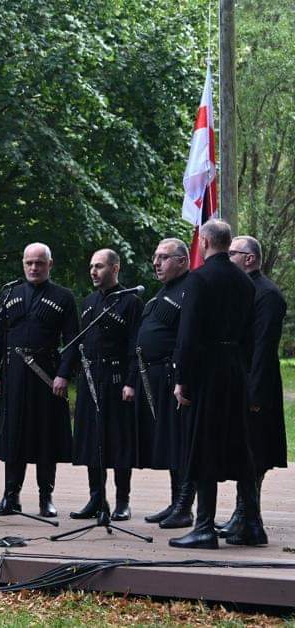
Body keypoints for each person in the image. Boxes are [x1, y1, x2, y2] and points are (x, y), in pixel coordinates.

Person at [170, 219, 259, 549]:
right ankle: (252, 524)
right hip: (235, 370)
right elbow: (250, 334)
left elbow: (188, 333)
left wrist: (182, 379)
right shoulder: (245, 281)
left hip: (207, 371)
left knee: (204, 444)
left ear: (205, 242)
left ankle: (204, 527)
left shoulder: (199, 278)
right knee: (240, 446)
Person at [0, 243, 77, 518]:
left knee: (45, 436)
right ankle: (10, 497)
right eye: (29, 263)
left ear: (50, 264)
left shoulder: (63, 297)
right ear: (23, 263)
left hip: (46, 377)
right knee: (12, 436)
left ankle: (45, 497)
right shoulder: (10, 294)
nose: (34, 267)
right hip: (12, 376)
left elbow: (73, 341)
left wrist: (64, 374)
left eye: (39, 263)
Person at [215, 235, 288, 539]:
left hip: (257, 385)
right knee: (243, 451)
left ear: (250, 258)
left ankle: (249, 519)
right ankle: (243, 516)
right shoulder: (244, 289)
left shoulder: (268, 294)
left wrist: (254, 394)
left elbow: (263, 348)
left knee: (254, 453)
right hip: (240, 381)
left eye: (232, 253)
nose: (227, 257)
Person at [64, 249, 142, 521]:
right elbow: (80, 342)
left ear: (115, 268)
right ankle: (97, 498)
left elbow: (136, 345)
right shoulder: (89, 302)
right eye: (91, 267)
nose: (93, 272)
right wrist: (65, 373)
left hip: (117, 380)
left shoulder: (131, 301)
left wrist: (131, 382)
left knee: (119, 441)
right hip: (90, 379)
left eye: (99, 266)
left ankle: (122, 502)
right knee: (92, 440)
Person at [137, 238, 195, 529]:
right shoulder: (163, 291)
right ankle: (175, 503)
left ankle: (185, 508)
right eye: (155, 257)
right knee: (171, 443)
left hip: (175, 378)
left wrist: (182, 377)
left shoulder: (191, 289)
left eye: (164, 257)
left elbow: (189, 337)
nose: (156, 263)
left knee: (182, 443)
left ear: (183, 261)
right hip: (155, 376)